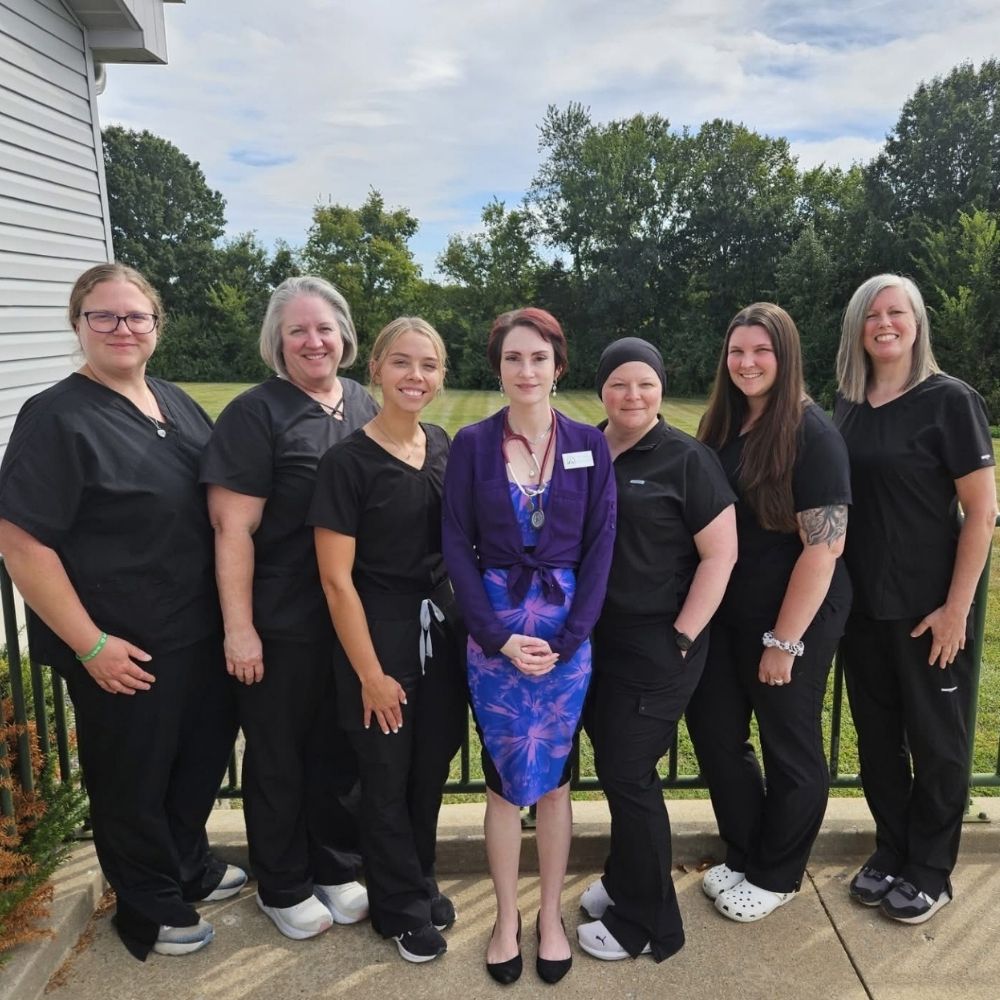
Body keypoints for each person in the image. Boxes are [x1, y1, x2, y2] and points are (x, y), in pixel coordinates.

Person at [0, 263, 242, 960]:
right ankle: (147, 903)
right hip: (122, 645)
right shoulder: (56, 415)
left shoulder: (174, 402)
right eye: (102, 316)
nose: (121, 328)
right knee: (132, 777)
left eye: (136, 316)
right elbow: (21, 540)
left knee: (197, 764)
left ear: (157, 327)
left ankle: (188, 863)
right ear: (78, 325)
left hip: (197, 632)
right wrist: (90, 644)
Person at [442, 307, 617, 985]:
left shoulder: (588, 444)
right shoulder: (473, 444)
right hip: (495, 633)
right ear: (499, 367)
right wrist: (493, 635)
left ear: (559, 365)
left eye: (538, 358)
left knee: (555, 781)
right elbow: (456, 542)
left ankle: (548, 916)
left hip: (567, 635)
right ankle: (505, 919)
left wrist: (573, 637)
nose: (526, 371)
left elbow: (602, 544)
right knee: (499, 783)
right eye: (513, 358)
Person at [201, 276, 374, 940]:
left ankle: (334, 868)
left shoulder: (360, 401)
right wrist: (239, 629)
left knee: (338, 752)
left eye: (324, 327)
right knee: (278, 756)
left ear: (345, 336)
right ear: (278, 341)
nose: (313, 340)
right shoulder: (256, 413)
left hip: (349, 620)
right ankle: (283, 882)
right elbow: (232, 530)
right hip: (281, 619)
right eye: (297, 329)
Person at [834, 274, 997, 924]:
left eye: (896, 311)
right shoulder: (847, 403)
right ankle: (891, 850)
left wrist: (957, 609)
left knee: (938, 746)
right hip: (861, 612)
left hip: (929, 612)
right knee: (878, 745)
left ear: (917, 321)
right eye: (871, 314)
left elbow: (982, 513)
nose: (884, 323)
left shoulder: (950, 401)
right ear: (857, 327)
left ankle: (930, 869)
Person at [686, 302, 852, 923]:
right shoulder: (723, 426)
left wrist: (784, 642)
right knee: (714, 731)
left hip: (794, 616)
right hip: (727, 614)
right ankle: (747, 849)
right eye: (737, 351)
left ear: (785, 357)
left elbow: (824, 547)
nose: (747, 362)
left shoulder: (814, 435)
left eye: (761, 351)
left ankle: (779, 874)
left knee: (790, 746)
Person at [310, 317, 467, 965]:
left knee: (429, 767)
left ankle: (419, 876)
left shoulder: (443, 445)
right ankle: (398, 909)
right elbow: (335, 581)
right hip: (379, 641)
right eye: (402, 363)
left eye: (428, 365)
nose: (415, 377)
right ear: (374, 369)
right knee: (384, 774)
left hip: (442, 638)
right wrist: (372, 673)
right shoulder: (347, 463)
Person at [577, 338, 737, 962]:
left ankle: (650, 924)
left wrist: (682, 636)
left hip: (658, 644)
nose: (632, 395)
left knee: (627, 774)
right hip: (594, 641)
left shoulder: (687, 460)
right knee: (617, 768)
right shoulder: (584, 450)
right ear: (602, 390)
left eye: (645, 383)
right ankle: (624, 883)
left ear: (661, 388)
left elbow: (720, 555)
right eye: (619, 384)